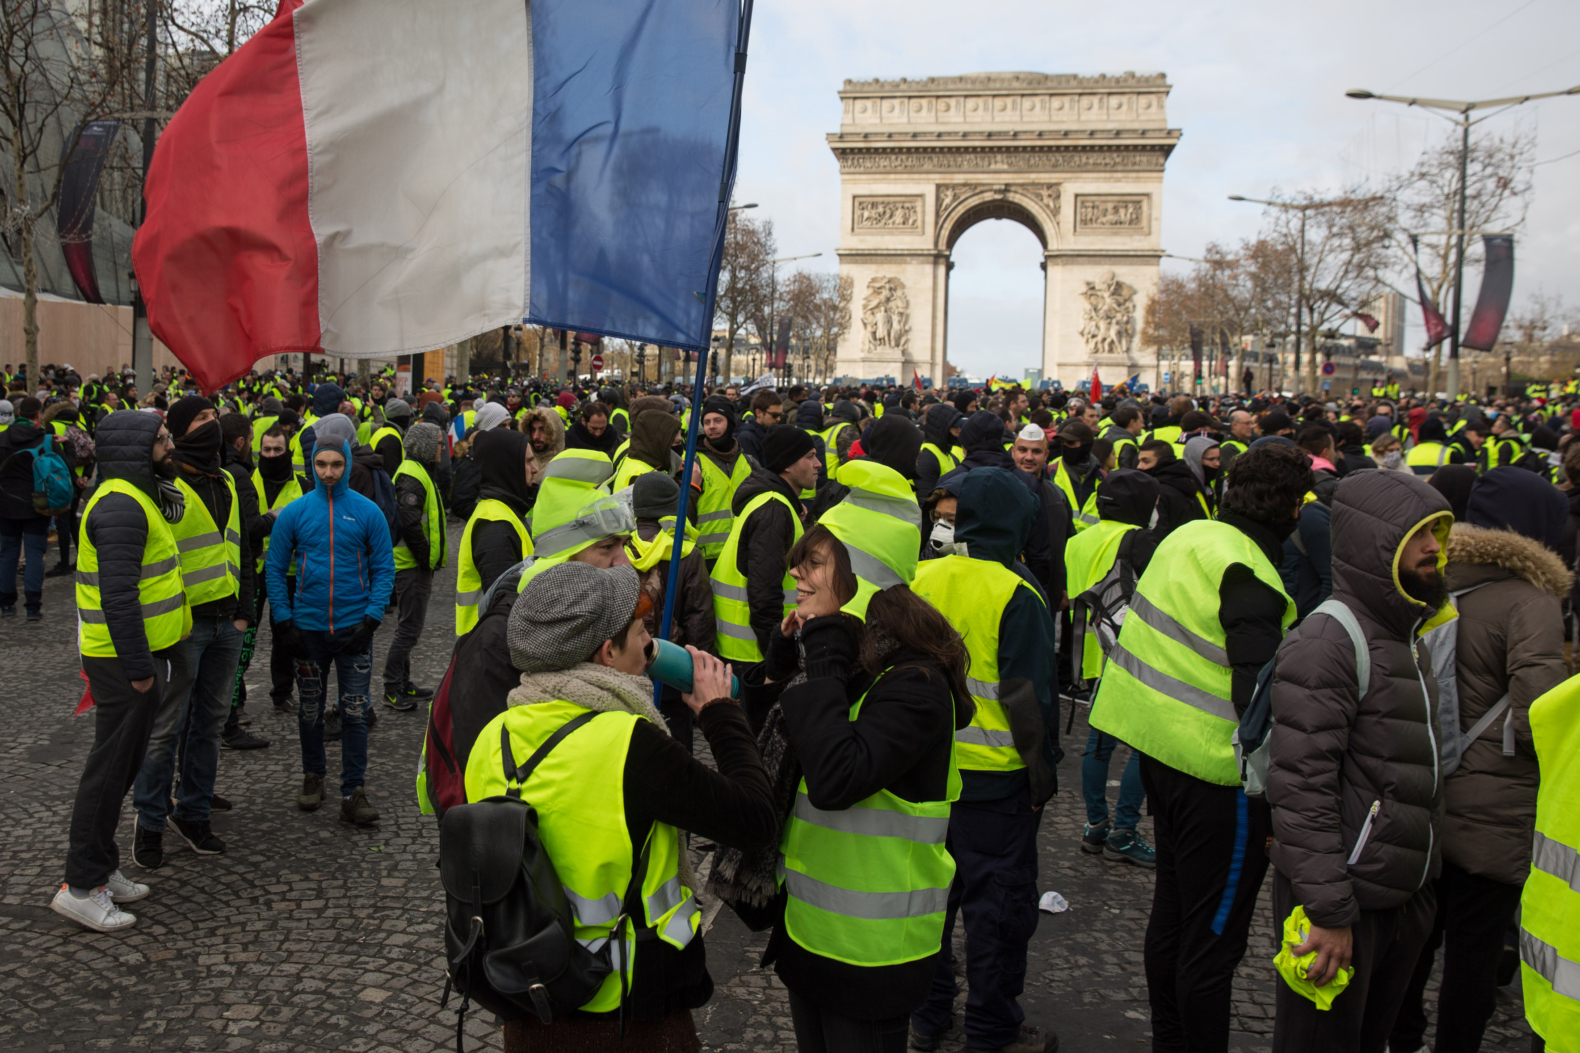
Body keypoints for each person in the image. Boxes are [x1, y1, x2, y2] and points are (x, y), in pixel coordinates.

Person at [462, 560, 776, 1052]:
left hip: (528, 995)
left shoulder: (492, 735)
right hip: (627, 1005)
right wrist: (720, 713)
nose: (650, 646)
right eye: (640, 634)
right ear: (608, 652)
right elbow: (755, 820)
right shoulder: (630, 743)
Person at [726, 477, 969, 1053]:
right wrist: (781, 663)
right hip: (810, 933)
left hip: (875, 952)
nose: (795, 576)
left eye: (811, 563)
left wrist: (826, 656)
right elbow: (773, 751)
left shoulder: (915, 682)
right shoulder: (850, 659)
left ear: (856, 575)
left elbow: (836, 777)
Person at [1091, 444, 1310, 1053]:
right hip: (1220, 777)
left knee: (1172, 918)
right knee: (1211, 945)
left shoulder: (1189, 538)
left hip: (1157, 751)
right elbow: (1260, 699)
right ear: (1292, 508)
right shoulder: (1250, 572)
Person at [1266, 469, 1450, 1052]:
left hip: (1397, 897)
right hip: (1344, 902)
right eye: (1418, 534)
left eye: (1439, 532)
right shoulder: (1329, 641)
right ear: (1376, 543)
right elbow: (1300, 786)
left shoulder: (1405, 632)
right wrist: (1327, 910)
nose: (1434, 548)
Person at [1390, 468, 1569, 1053]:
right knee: (1474, 953)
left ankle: (1398, 1035)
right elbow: (1539, 713)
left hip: (1423, 789)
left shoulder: (1429, 578)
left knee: (1416, 942)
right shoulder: (1531, 601)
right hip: (1494, 806)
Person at [907, 466, 1059, 1053]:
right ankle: (992, 1031)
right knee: (997, 915)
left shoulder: (921, 577)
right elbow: (1028, 699)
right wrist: (1041, 773)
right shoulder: (1017, 592)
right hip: (996, 787)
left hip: (927, 773)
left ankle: (927, 1015)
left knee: (929, 906)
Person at [50, 413, 185, 933]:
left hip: (133, 656)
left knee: (119, 768)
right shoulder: (122, 506)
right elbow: (118, 597)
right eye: (162, 439)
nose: (170, 445)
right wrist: (138, 670)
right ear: (136, 446)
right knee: (106, 773)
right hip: (121, 659)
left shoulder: (136, 495)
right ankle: (80, 886)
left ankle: (100, 868)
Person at [130, 396, 255, 868]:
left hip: (227, 622)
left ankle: (195, 811)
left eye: (214, 417)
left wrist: (245, 611)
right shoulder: (165, 483)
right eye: (203, 419)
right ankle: (150, 820)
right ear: (181, 431)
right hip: (184, 626)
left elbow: (240, 550)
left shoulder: (226, 478)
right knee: (166, 729)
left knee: (210, 724)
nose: (213, 424)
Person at [266, 430, 396, 824]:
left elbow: (383, 568)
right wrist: (284, 620)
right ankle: (313, 776)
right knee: (310, 710)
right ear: (311, 464)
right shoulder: (294, 512)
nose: (328, 473)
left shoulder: (367, 512)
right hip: (307, 631)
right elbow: (274, 567)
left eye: (336, 465)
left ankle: (353, 789)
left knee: (355, 712)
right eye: (321, 465)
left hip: (354, 630)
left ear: (348, 464)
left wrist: (372, 619)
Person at [1066, 469, 1160, 868]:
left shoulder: (1078, 540)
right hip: (1134, 653)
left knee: (1098, 746)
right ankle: (1124, 831)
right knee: (1143, 744)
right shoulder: (1139, 540)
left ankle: (1095, 825)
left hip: (1089, 654)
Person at [711, 424, 817, 666]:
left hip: (745, 648)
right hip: (753, 654)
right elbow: (764, 594)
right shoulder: (773, 509)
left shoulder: (771, 501)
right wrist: (776, 654)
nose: (818, 464)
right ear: (787, 465)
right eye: (810, 457)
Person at [628, 471, 716, 753]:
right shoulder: (687, 554)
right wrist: (694, 674)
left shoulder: (615, 551)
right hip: (671, 669)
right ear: (669, 508)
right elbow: (699, 618)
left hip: (627, 668)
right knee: (676, 750)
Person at [382, 422, 446, 710]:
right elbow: (410, 524)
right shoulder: (411, 476)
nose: (442, 449)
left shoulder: (417, 472)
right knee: (409, 630)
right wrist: (424, 559)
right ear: (424, 446)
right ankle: (392, 687)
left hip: (413, 564)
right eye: (438, 444)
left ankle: (403, 684)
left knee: (408, 627)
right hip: (410, 565)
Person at [454, 428, 535, 636]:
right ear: (509, 468)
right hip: (488, 648)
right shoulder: (495, 524)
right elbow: (504, 610)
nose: (535, 468)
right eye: (527, 462)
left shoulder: (504, 512)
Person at [245, 425, 304, 712]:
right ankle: (235, 700)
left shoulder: (303, 485)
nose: (271, 454)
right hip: (253, 573)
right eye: (266, 449)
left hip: (289, 574)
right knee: (245, 635)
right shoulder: (245, 481)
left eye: (277, 449)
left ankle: (282, 692)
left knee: (285, 636)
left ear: (287, 452)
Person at [0, 395, 74, 619]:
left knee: (7, 554)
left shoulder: (2, 438)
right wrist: (68, 445)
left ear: (18, 413)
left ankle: (5, 604)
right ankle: (32, 606)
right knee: (34, 554)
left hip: (5, 504)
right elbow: (67, 468)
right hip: (37, 504)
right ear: (38, 415)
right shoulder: (47, 440)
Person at [695, 396, 752, 565]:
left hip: (742, 551)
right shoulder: (694, 462)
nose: (711, 426)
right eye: (707, 422)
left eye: (718, 420)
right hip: (706, 556)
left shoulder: (748, 462)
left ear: (730, 424)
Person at [916, 404, 964, 498]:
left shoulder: (947, 453)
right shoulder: (927, 457)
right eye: (954, 426)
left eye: (960, 426)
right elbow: (924, 498)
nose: (959, 430)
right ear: (942, 428)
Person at [734, 389, 783, 463]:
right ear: (758, 413)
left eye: (781, 415)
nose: (778, 419)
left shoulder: (775, 432)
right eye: (774, 415)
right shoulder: (746, 437)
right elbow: (754, 471)